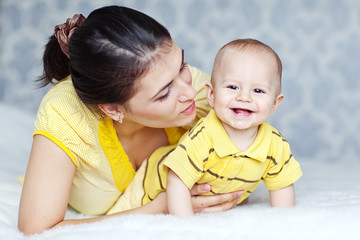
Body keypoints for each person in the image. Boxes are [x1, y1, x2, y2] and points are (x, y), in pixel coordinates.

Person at [17, 6, 243, 235]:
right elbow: (36, 228)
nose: (189, 92)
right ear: (113, 109)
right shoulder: (64, 114)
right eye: (164, 94)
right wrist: (161, 206)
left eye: (182, 65)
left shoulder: (194, 87)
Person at [110, 38, 302, 216]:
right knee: (118, 217)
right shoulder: (203, 137)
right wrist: (187, 226)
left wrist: (283, 223)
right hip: (154, 183)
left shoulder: (275, 144)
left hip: (211, 193)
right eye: (233, 87)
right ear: (211, 95)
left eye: (258, 90)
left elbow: (282, 186)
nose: (244, 97)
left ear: (275, 104)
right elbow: (177, 181)